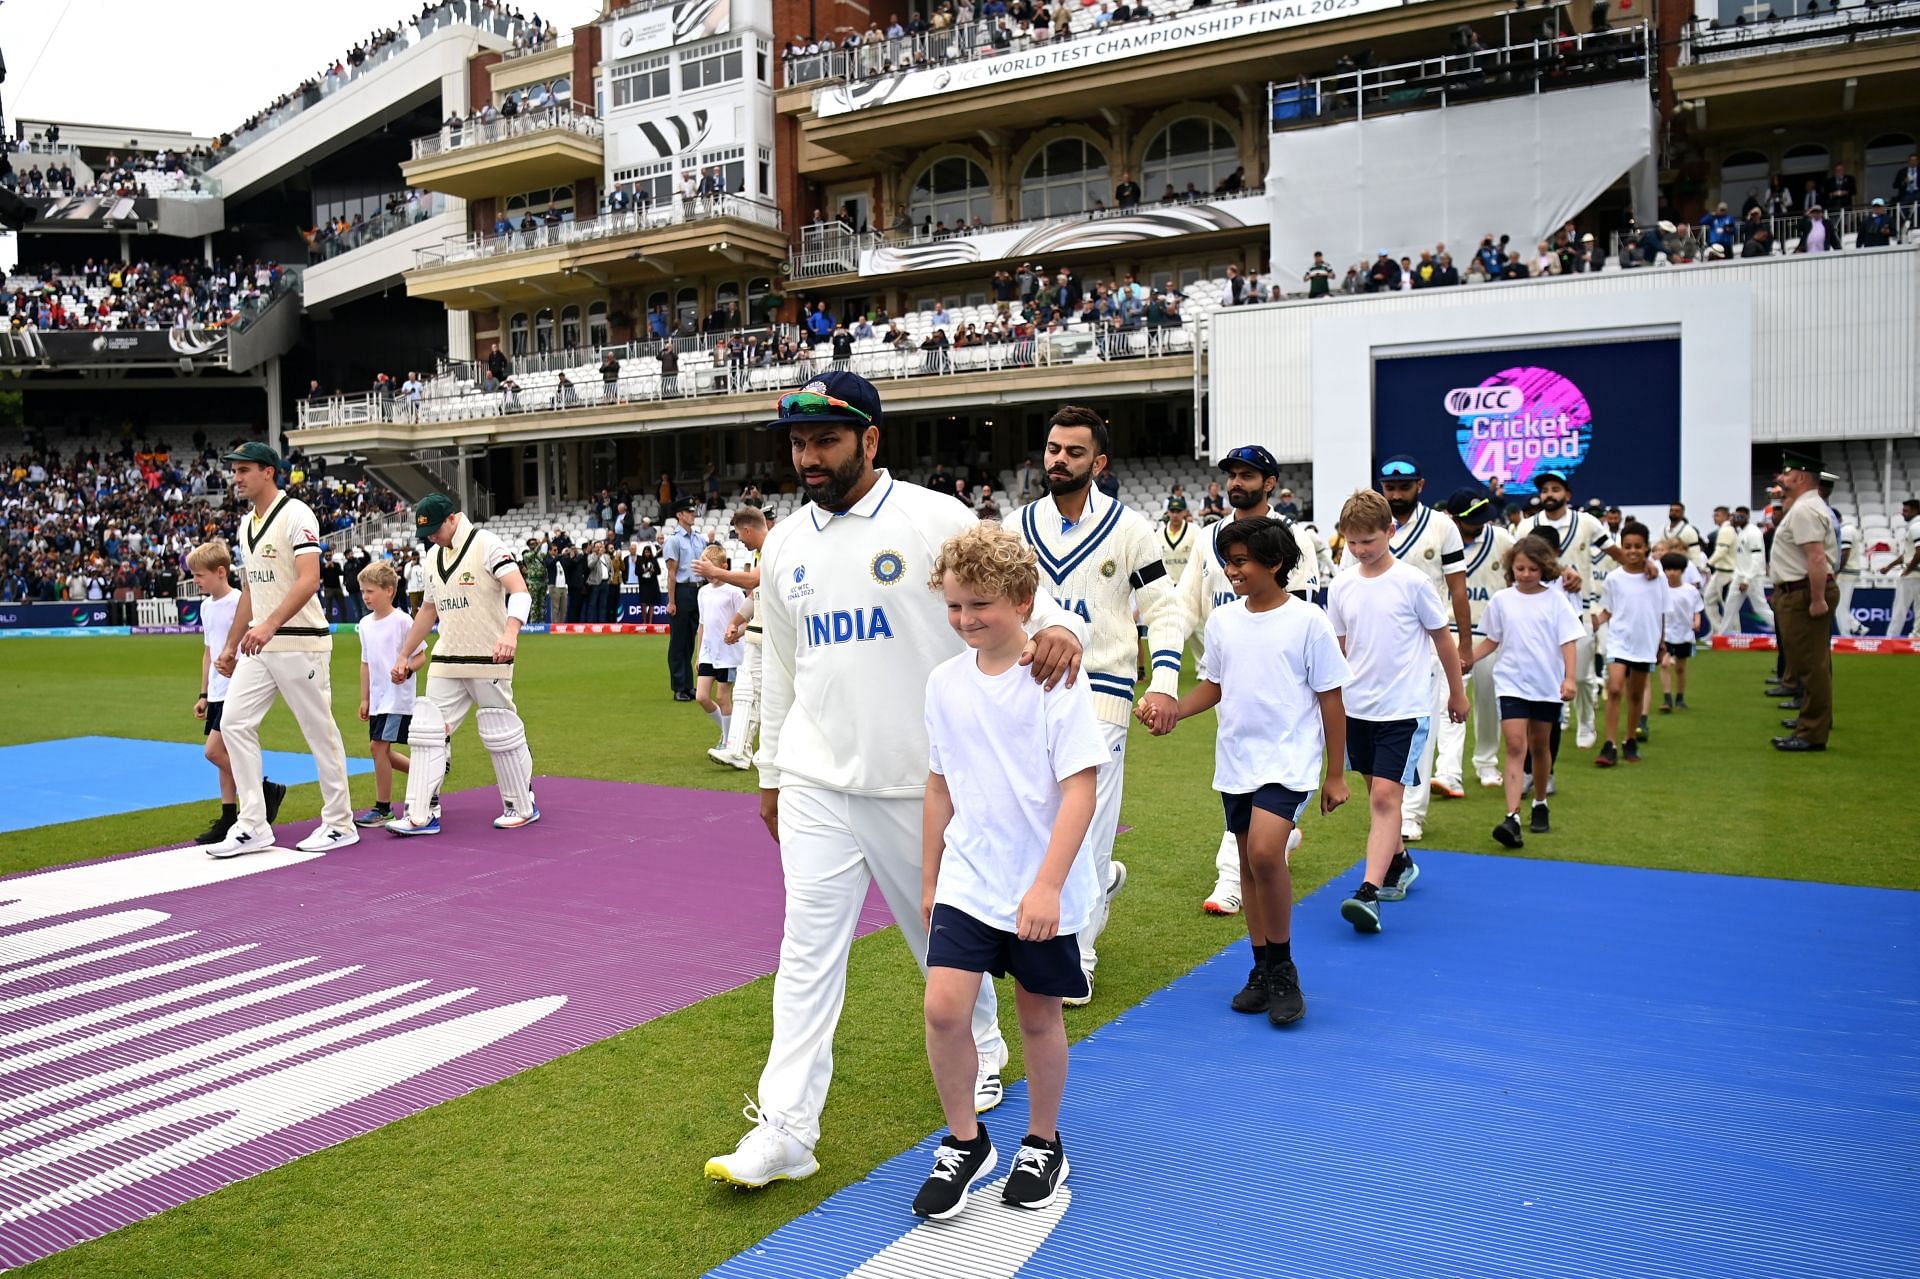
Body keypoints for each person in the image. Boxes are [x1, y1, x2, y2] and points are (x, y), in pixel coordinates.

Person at [703, 370, 1085, 1190]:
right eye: (799, 443)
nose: (808, 457)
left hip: (924, 787)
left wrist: (1059, 632)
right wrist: (771, 770)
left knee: (939, 945)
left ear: (871, 440)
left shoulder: (932, 517)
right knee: (805, 952)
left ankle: (983, 1051)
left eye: (826, 441)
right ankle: (785, 1128)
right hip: (815, 779)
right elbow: (776, 660)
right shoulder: (786, 545)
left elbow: (1029, 600)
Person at [911, 523, 1104, 1220]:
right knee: (943, 1009)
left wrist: (1049, 882)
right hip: (969, 874)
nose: (966, 619)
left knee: (1037, 1013)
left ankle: (1042, 1141)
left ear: (1023, 599)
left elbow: (1080, 786)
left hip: (1038, 882)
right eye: (956, 605)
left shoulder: (1055, 677)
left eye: (981, 604)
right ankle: (966, 1141)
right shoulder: (942, 682)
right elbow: (939, 784)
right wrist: (930, 878)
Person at [1005, 406, 1184, 1003]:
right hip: (1028, 694)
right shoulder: (1014, 527)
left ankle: (1076, 954)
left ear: (1099, 463)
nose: (1058, 460)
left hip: (1102, 695)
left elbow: (1163, 610)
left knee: (1085, 829)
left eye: (1073, 452)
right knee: (1040, 827)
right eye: (1053, 449)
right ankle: (1099, 885)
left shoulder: (1131, 529)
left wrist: (1161, 682)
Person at [1144, 516, 1348, 1023]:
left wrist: (1336, 774)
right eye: (1228, 562)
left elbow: (1332, 700)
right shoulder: (1224, 622)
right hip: (1236, 761)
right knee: (1248, 864)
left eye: (1241, 562)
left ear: (1274, 564)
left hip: (1288, 760)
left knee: (1264, 852)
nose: (1231, 572)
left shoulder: (1308, 622)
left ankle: (1283, 968)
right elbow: (1214, 685)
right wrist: (1173, 708)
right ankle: (1260, 967)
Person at [1173, 445, 1323, 916]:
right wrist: (1163, 675)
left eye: (1248, 475)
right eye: (1233, 475)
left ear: (1270, 482)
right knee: (1244, 779)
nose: (1237, 483)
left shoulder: (1291, 537)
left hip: (1278, 686)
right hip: (1223, 677)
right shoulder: (1205, 539)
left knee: (1264, 777)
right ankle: (1279, 834)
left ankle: (1231, 878)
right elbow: (1183, 607)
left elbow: (1302, 613)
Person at [1327, 488, 1468, 933]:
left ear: (1391, 531)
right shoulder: (1343, 584)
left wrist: (1457, 694)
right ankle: (1400, 862)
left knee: (1387, 800)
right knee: (1377, 797)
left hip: (1404, 710)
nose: (1359, 550)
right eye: (1351, 542)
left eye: (1368, 540)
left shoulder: (1413, 583)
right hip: (1358, 711)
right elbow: (1340, 647)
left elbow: (1443, 639)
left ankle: (1367, 893)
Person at [206, 444, 357, 858]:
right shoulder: (245, 525)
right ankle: (254, 824)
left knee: (318, 730)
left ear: (268, 472)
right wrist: (231, 644)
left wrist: (271, 624)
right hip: (260, 644)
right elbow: (252, 590)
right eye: (234, 471)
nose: (236, 477)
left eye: (244, 470)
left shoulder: (296, 514)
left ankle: (340, 823)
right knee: (234, 723)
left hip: (299, 642)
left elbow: (309, 579)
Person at [384, 493, 541, 835]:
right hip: (447, 657)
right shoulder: (431, 558)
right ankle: (422, 813)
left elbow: (520, 591)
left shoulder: (487, 544)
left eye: (436, 530)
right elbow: (428, 610)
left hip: (489, 656)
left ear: (453, 519)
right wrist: (404, 654)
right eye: (427, 534)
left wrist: (511, 634)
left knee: (502, 731)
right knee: (426, 731)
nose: (432, 538)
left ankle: (521, 803)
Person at [1360, 455, 1471, 845]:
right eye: (1389, 488)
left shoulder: (1442, 526)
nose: (1396, 494)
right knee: (1374, 731)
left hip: (1427, 642)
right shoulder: (1368, 526)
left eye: (1403, 487)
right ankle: (1389, 806)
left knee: (1420, 727)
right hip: (1376, 645)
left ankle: (1411, 812)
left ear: (1420, 486)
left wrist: (1465, 644)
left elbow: (1458, 589)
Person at [1469, 534, 1584, 849]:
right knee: (1516, 745)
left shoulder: (1556, 600)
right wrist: (1469, 660)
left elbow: (1568, 641)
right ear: (1511, 568)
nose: (1526, 574)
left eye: (1533, 569)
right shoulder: (1502, 600)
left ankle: (1541, 802)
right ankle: (1512, 816)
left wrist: (1570, 678)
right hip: (1511, 683)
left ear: (1544, 568)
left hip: (1546, 684)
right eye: (1520, 568)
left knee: (1540, 746)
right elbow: (1492, 639)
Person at [1522, 470, 1635, 749]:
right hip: (1539, 609)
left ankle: (1586, 722)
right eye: (1545, 490)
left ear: (1567, 495)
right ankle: (1558, 714)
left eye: (1555, 489)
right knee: (1545, 671)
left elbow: (1614, 553)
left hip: (1579, 609)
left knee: (1583, 675)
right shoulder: (1527, 526)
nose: (1549, 494)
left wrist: (1639, 568)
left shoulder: (1586, 522)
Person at [188, 539, 285, 846]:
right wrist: (204, 693)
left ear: (220, 572)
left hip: (238, 686)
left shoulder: (240, 602)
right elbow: (208, 651)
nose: (195, 580)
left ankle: (263, 788)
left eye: (200, 575)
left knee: (213, 751)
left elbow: (249, 644)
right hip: (217, 690)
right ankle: (229, 814)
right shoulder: (206, 607)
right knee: (223, 754)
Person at [1433, 487, 1512, 795]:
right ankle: (1449, 771)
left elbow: (1525, 566)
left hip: (1488, 631)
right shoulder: (1440, 540)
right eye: (1472, 519)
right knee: (1450, 700)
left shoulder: (1502, 539)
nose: (1480, 524)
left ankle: (1487, 761)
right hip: (1448, 629)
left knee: (1488, 698)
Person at [1769, 452, 1839, 753]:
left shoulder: (1805, 510)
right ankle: (1809, 723)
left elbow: (1816, 556)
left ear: (1800, 477)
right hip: (1799, 590)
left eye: (1786, 473)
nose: (1781, 479)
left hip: (1804, 592)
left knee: (1812, 666)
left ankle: (1812, 732)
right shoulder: (1805, 506)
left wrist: (1818, 599)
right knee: (1808, 664)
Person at [353, 560, 425, 828]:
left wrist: (405, 670)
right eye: (363, 591)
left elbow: (420, 657)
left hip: (397, 698)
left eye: (370, 591)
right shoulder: (364, 624)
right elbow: (365, 664)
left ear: (389, 591)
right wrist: (365, 699)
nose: (365, 596)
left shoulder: (403, 621)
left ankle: (383, 808)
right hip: (378, 699)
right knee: (379, 750)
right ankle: (428, 773)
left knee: (378, 747)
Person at [706, 506, 772, 770]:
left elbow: (753, 582)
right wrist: (736, 623)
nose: (740, 540)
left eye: (739, 534)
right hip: (760, 635)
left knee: (760, 693)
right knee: (748, 692)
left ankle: (746, 751)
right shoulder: (759, 552)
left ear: (747, 529)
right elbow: (756, 597)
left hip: (774, 637)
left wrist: (717, 573)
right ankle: (739, 751)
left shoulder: (774, 548)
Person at [1593, 522, 1662, 767]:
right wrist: (1594, 622)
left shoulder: (1656, 575)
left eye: (1638, 547)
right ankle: (1609, 743)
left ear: (1647, 548)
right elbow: (1608, 610)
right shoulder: (1614, 578)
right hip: (1619, 640)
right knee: (1614, 688)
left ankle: (1629, 739)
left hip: (1644, 643)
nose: (1632, 551)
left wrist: (1661, 645)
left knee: (1635, 694)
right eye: (1627, 546)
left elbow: (1661, 612)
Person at [694, 544, 746, 749]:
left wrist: (735, 633)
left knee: (722, 697)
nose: (709, 573)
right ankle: (729, 733)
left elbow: (744, 619)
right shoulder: (703, 593)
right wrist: (698, 655)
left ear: (724, 566)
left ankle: (727, 742)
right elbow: (702, 625)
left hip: (729, 654)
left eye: (712, 568)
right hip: (709, 652)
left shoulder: (734, 592)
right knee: (702, 697)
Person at [663, 499, 707, 700]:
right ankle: (679, 686)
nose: (693, 514)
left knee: (691, 639)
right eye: (689, 512)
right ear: (679, 515)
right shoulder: (674, 540)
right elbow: (672, 573)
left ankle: (688, 684)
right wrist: (671, 601)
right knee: (679, 640)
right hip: (682, 590)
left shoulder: (699, 539)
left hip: (698, 589)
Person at [1657, 552, 1701, 714]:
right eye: (1668, 569)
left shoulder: (1690, 590)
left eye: (1675, 569)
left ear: (1682, 571)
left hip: (1684, 634)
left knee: (1681, 669)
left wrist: (1697, 621)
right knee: (1664, 664)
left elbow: (1697, 608)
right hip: (1665, 633)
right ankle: (1667, 698)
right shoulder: (1660, 589)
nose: (1671, 573)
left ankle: (1680, 698)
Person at [1719, 505, 1775, 635]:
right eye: (1736, 516)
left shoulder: (1753, 533)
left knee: (1760, 608)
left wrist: (1747, 579)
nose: (1738, 519)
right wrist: (1737, 576)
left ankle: (1781, 630)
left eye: (1741, 517)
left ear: (1748, 517)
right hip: (1739, 575)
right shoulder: (1740, 532)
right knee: (1730, 606)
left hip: (1752, 577)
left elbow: (1757, 559)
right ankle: (1722, 635)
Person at [1888, 498, 1920, 639]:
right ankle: (1916, 637)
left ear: (1915, 511)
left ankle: (1891, 637)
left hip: (1912, 574)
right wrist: (1889, 566)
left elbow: (1919, 552)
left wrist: (1907, 570)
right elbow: (1909, 553)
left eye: (1906, 511)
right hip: (1915, 572)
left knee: (1900, 609)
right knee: (1918, 609)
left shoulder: (1916, 527)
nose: (1903, 514)